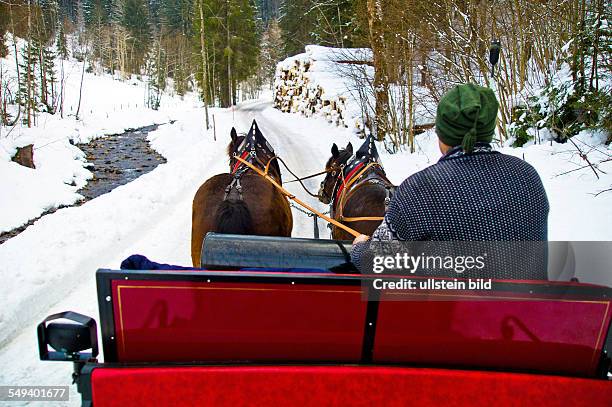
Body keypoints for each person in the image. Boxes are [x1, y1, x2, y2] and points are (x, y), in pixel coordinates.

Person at [350, 84, 549, 279]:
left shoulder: (420, 189)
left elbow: (374, 262)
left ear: (442, 135)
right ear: (489, 131)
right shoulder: (528, 176)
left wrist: (360, 247)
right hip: (527, 309)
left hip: (456, 311)